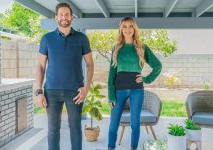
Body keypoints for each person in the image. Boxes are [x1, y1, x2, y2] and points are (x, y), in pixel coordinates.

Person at [35, 3, 94, 150]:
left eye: (67, 14)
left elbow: (90, 64)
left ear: (72, 17)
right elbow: (41, 66)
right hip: (51, 92)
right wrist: (38, 91)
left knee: (75, 129)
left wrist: (86, 88)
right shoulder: (46, 39)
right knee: (53, 130)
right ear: (56, 17)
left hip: (75, 92)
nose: (64, 17)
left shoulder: (82, 38)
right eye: (61, 15)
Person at [107, 17, 162, 150]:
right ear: (121, 29)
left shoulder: (142, 47)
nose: (127, 29)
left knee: (135, 124)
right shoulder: (116, 48)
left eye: (130, 26)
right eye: (124, 26)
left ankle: (133, 147)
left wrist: (146, 79)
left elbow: (158, 65)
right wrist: (110, 94)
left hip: (136, 90)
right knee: (113, 124)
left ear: (134, 28)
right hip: (118, 90)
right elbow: (112, 73)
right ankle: (110, 147)